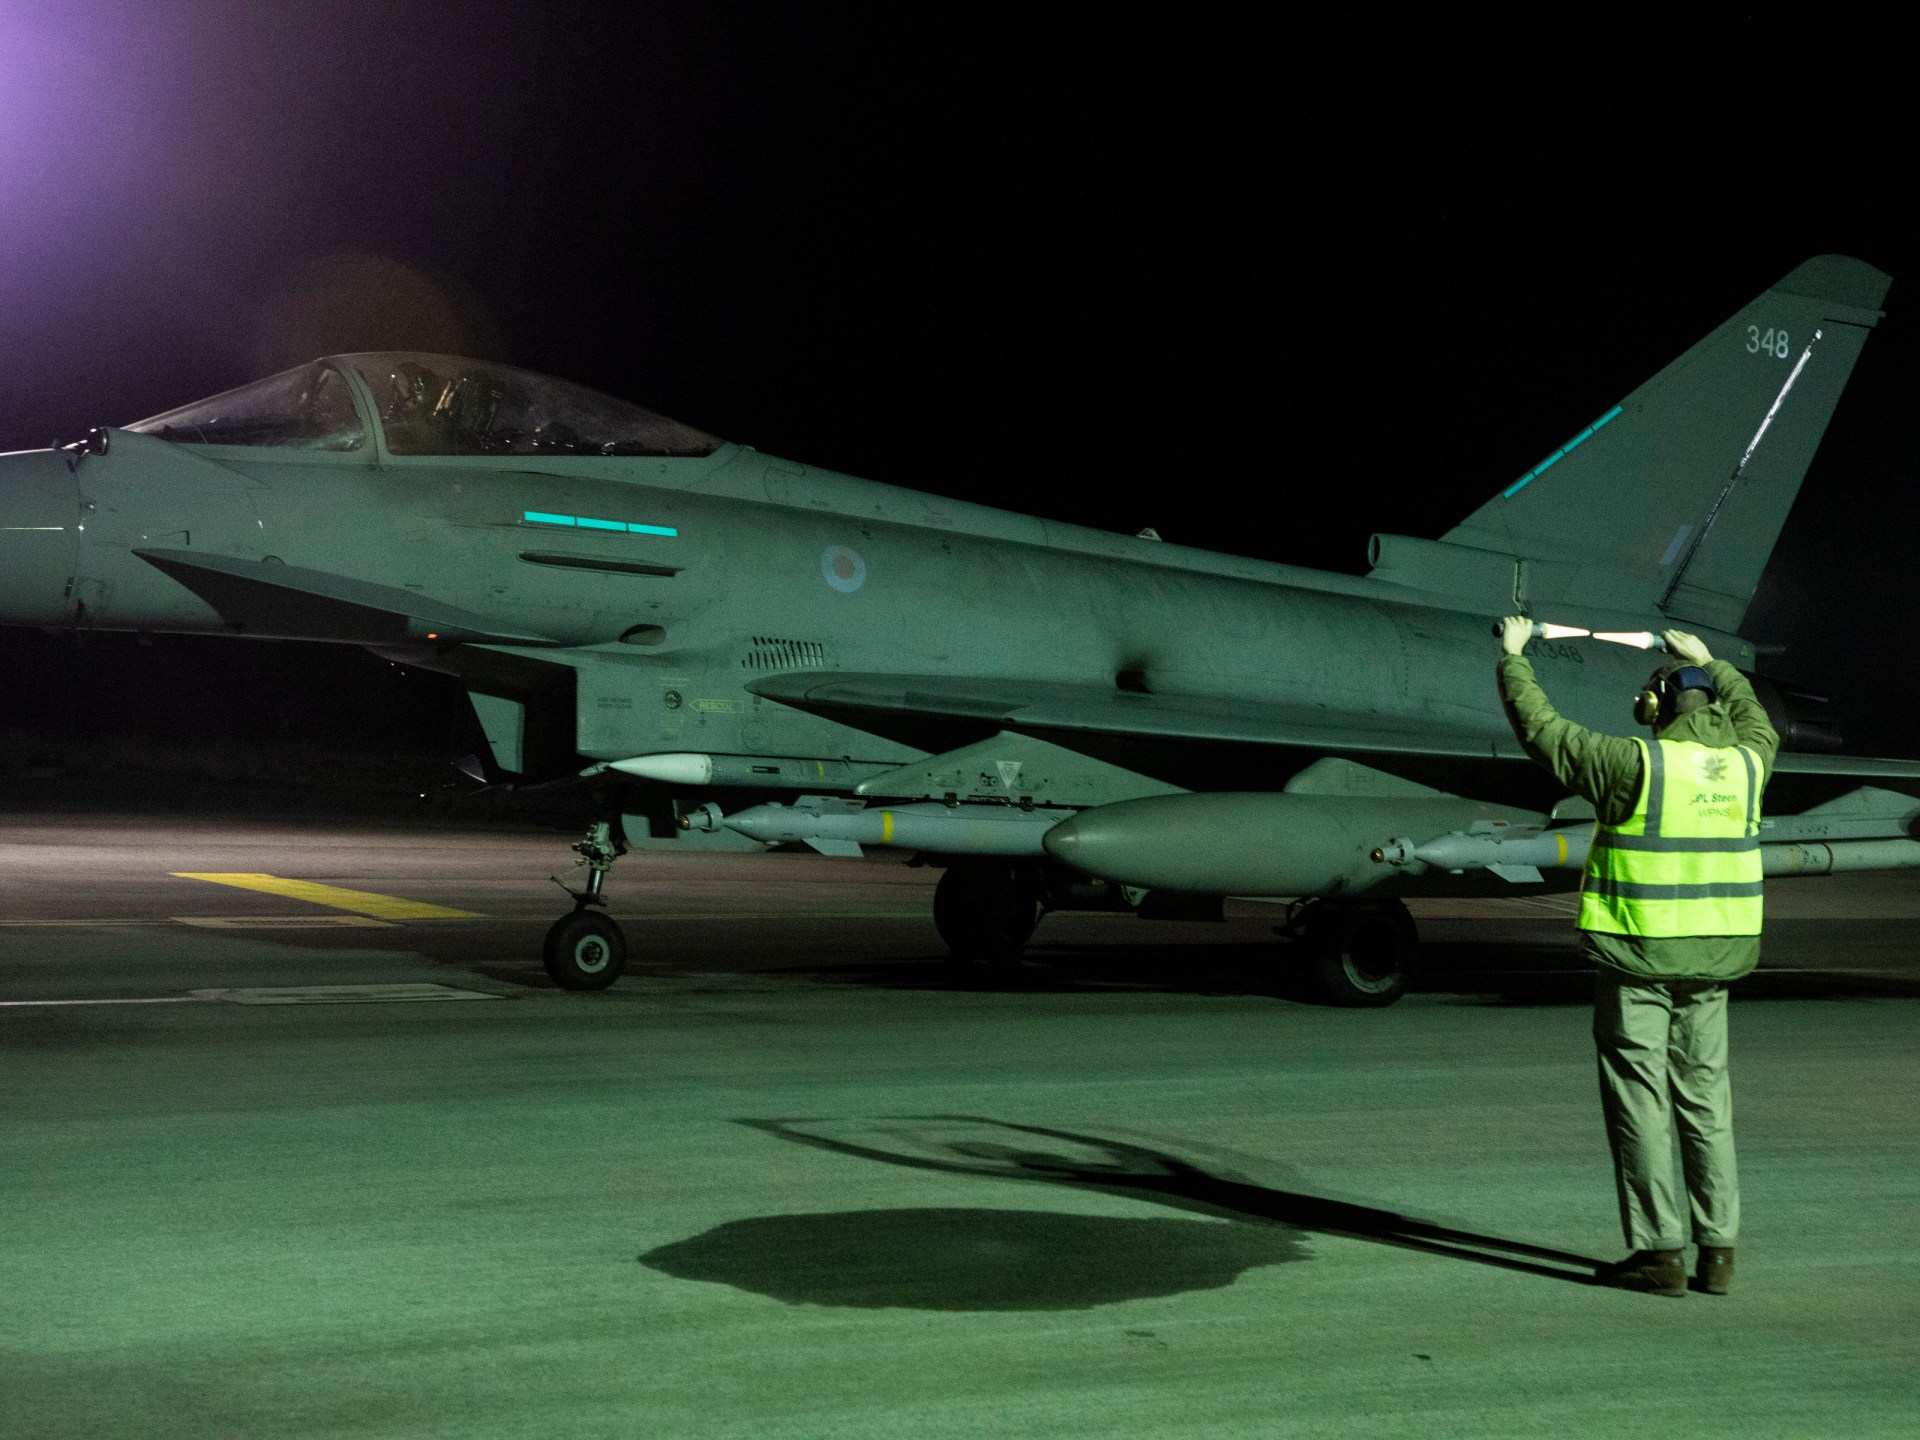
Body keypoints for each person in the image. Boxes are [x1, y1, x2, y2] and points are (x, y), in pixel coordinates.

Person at [1496, 616, 1779, 1298]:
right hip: (1714, 962)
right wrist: (1713, 661)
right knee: (1707, 1102)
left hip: (1639, 961)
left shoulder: (1635, 765)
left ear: (1654, 706)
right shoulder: (1751, 762)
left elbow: (1543, 731)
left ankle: (1660, 1253)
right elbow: (1755, 717)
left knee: (1641, 1101)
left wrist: (1513, 658)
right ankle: (1719, 1252)